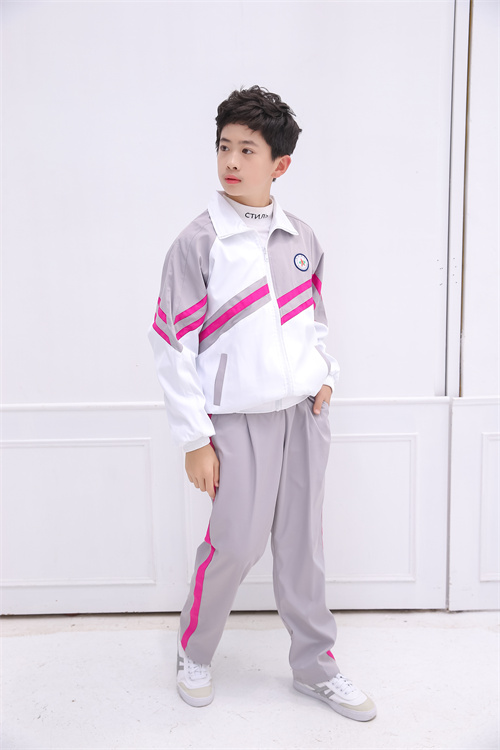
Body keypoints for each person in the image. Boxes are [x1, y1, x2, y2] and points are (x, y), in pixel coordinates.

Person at [148, 86, 376, 722]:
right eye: (224, 146)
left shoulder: (301, 237)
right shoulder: (199, 243)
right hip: (235, 420)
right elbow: (171, 344)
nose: (231, 160)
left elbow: (315, 321)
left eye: (248, 150)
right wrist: (195, 438)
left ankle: (316, 666)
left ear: (281, 163)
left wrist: (326, 377)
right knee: (235, 543)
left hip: (304, 416)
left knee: (303, 546)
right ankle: (194, 651)